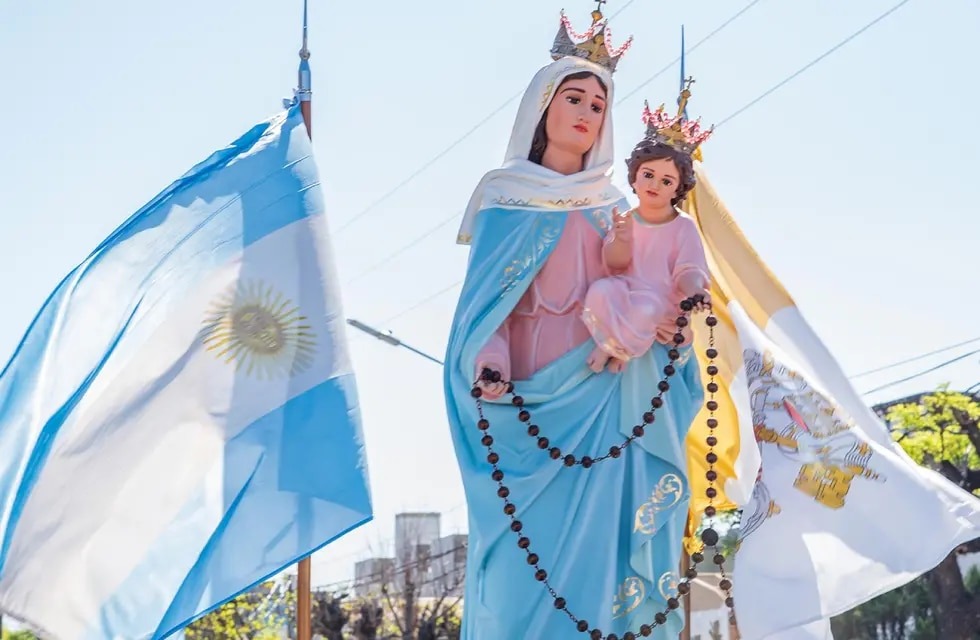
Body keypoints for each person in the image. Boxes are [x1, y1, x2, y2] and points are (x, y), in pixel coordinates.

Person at [443, 9, 704, 639]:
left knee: (601, 574)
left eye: (598, 103)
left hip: (603, 402)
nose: (587, 112)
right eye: (575, 97)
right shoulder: (504, 199)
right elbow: (486, 306)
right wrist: (491, 362)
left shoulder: (612, 208)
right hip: (528, 405)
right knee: (514, 582)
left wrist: (667, 329)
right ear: (543, 107)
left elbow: (646, 287)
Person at [582, 93, 714, 375]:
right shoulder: (626, 219)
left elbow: (689, 270)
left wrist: (695, 291)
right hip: (625, 291)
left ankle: (614, 350)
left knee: (648, 310)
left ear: (678, 188)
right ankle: (615, 344)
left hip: (661, 300)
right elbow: (613, 265)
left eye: (667, 181)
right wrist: (622, 239)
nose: (655, 184)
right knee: (600, 290)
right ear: (635, 176)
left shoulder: (683, 226)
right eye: (648, 175)